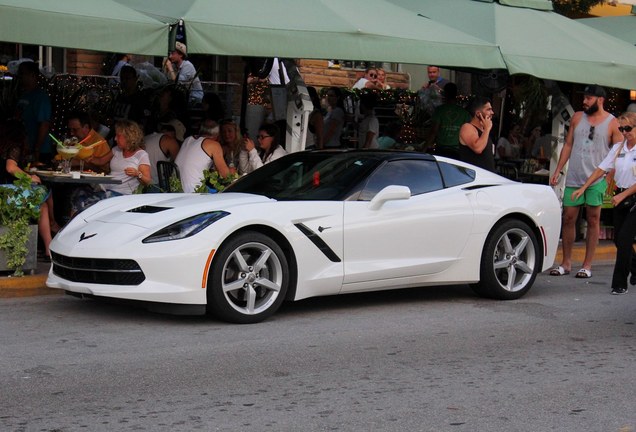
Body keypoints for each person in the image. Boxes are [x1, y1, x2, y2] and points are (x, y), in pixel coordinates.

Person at [549, 85, 623, 278]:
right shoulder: (577, 118)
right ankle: (565, 263)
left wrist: (609, 177)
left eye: (589, 98)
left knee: (593, 219)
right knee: (569, 217)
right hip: (574, 176)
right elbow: (568, 144)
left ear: (600, 100)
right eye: (584, 98)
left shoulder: (612, 122)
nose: (584, 101)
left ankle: (587, 265)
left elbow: (618, 152)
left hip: (597, 178)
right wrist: (558, 170)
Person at [571, 112, 636, 294]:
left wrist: (622, 197)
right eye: (622, 129)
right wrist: (583, 188)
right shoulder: (618, 148)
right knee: (618, 239)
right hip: (620, 197)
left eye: (628, 128)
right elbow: (600, 169)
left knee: (624, 240)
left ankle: (619, 284)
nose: (624, 132)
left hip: (632, 198)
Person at [0, 120, 60, 259]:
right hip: (6, 193)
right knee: (45, 191)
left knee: (42, 205)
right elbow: (10, 167)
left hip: (5, 191)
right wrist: (29, 177)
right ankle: (52, 229)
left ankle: (48, 247)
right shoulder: (14, 146)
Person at [72, 120, 151, 215]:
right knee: (78, 195)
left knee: (86, 204)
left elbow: (147, 180)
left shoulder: (141, 155)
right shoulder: (116, 150)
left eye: (118, 136)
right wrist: (91, 159)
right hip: (106, 189)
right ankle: (72, 226)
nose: (115, 139)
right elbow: (101, 161)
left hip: (122, 195)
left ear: (129, 137)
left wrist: (137, 174)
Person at [175, 119, 231, 193]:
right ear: (217, 135)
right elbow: (225, 176)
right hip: (194, 192)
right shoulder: (214, 145)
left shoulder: (188, 139)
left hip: (176, 189)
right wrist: (231, 171)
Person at [15, 61, 52, 164]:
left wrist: (36, 149)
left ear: (33, 75)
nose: (20, 76)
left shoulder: (41, 97)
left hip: (39, 151)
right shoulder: (24, 95)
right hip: (23, 148)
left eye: (22, 73)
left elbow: (44, 124)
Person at [425, 82, 470, 159]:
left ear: (444, 94)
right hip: (457, 152)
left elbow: (433, 131)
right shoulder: (464, 113)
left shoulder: (439, 111)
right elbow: (467, 134)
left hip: (441, 150)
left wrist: (424, 148)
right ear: (456, 94)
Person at [458, 97, 496, 172]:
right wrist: (487, 129)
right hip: (474, 178)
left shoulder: (484, 131)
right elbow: (478, 148)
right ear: (478, 113)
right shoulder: (467, 127)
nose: (492, 112)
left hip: (488, 177)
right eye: (488, 109)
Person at [163, 42, 204, 106]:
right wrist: (166, 68)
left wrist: (170, 68)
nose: (170, 56)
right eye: (170, 54)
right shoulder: (174, 66)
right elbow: (167, 82)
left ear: (181, 55)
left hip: (194, 100)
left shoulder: (187, 65)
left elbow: (178, 84)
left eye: (173, 54)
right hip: (183, 98)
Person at [144, 119, 182, 186]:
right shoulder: (169, 140)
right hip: (157, 183)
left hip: (141, 182)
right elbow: (179, 164)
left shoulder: (146, 137)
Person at [111, 65, 150, 130]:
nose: (124, 81)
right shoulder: (119, 97)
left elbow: (144, 123)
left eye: (127, 78)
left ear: (135, 79)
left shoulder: (141, 99)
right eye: (122, 78)